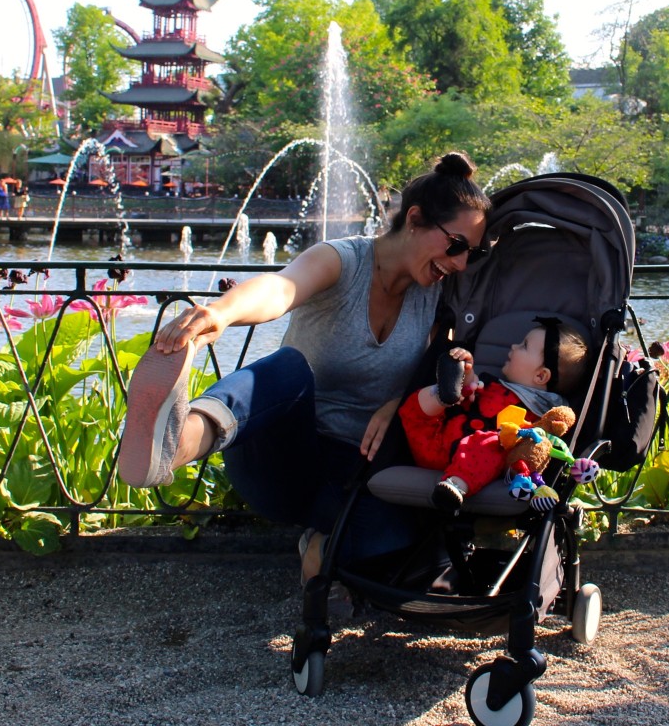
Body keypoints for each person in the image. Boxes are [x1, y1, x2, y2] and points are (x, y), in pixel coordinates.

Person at [118, 151, 491, 581]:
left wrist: (399, 402)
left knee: (395, 548)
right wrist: (221, 313)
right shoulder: (343, 260)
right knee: (288, 369)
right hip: (283, 461)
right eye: (457, 245)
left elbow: (436, 373)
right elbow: (280, 286)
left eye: (472, 254)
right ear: (415, 219)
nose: (461, 263)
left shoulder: (437, 295)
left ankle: (321, 545)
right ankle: (176, 442)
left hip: (360, 475)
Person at [398, 316, 589, 511]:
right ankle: (443, 394)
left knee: (491, 444)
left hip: (472, 461)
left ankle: (456, 485)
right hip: (436, 441)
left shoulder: (537, 413)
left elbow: (530, 442)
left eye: (523, 346)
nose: (514, 346)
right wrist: (467, 373)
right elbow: (474, 392)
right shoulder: (495, 385)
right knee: (415, 406)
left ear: (541, 376)